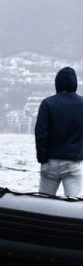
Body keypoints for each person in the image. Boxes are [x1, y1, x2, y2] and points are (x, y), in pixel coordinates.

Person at [34, 66, 83, 197]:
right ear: (75, 84)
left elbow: (40, 134)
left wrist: (42, 158)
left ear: (57, 83)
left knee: (43, 205)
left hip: (49, 162)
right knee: (74, 206)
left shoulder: (47, 103)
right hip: (72, 163)